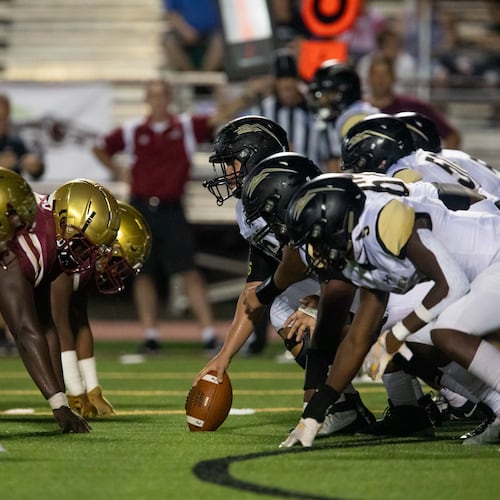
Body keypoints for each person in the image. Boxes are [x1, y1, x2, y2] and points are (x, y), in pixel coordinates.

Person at [281, 172, 500, 447]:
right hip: (484, 271)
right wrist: (313, 414)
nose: (315, 252)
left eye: (318, 240)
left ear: (340, 223)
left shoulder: (385, 220)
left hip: (492, 256)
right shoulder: (360, 244)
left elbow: (452, 285)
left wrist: (396, 334)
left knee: (445, 332)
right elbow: (358, 339)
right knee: (417, 338)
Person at [92, 79, 220, 355]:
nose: (159, 100)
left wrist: (242, 95)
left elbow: (218, 119)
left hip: (172, 207)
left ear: (169, 97)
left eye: (163, 95)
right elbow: (100, 146)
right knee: (143, 272)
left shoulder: (185, 126)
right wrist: (117, 170)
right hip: (141, 208)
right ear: (147, 99)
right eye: (154, 95)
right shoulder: (133, 130)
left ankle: (209, 333)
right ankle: (150, 334)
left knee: (188, 269)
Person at [0, 171, 120, 433]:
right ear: (66, 223)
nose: (87, 258)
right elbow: (24, 330)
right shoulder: (29, 244)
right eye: (84, 246)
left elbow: (45, 325)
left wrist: (62, 398)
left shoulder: (49, 233)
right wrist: (59, 406)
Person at [52, 201, 152, 418]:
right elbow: (59, 327)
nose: (116, 270)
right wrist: (77, 394)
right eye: (118, 261)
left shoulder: (83, 262)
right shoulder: (65, 255)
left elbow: (80, 323)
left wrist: (93, 391)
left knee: (77, 318)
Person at [0, 93, 45, 353]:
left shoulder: (15, 142)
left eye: (5, 119)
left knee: (14, 277)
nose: (3, 125)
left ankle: (11, 334)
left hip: (9, 223)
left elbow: (37, 169)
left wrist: (33, 164)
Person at [366, 54, 462, 149]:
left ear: (394, 77)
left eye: (385, 75)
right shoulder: (358, 110)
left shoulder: (414, 106)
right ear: (368, 78)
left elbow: (452, 137)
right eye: (376, 75)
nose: (380, 80)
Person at [307, 59, 379, 172]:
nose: (322, 100)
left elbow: (338, 169)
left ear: (342, 93)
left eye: (328, 93)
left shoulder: (356, 118)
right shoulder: (357, 113)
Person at [162, 0, 223, 72]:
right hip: (184, 32)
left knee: (221, 41)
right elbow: (171, 14)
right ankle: (189, 75)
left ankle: (205, 75)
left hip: (213, 32)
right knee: (169, 42)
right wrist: (185, 30)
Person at [356, 28, 418, 94]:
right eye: (388, 45)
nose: (392, 49)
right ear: (380, 47)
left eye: (395, 45)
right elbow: (363, 87)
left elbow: (409, 89)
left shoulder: (407, 62)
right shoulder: (366, 62)